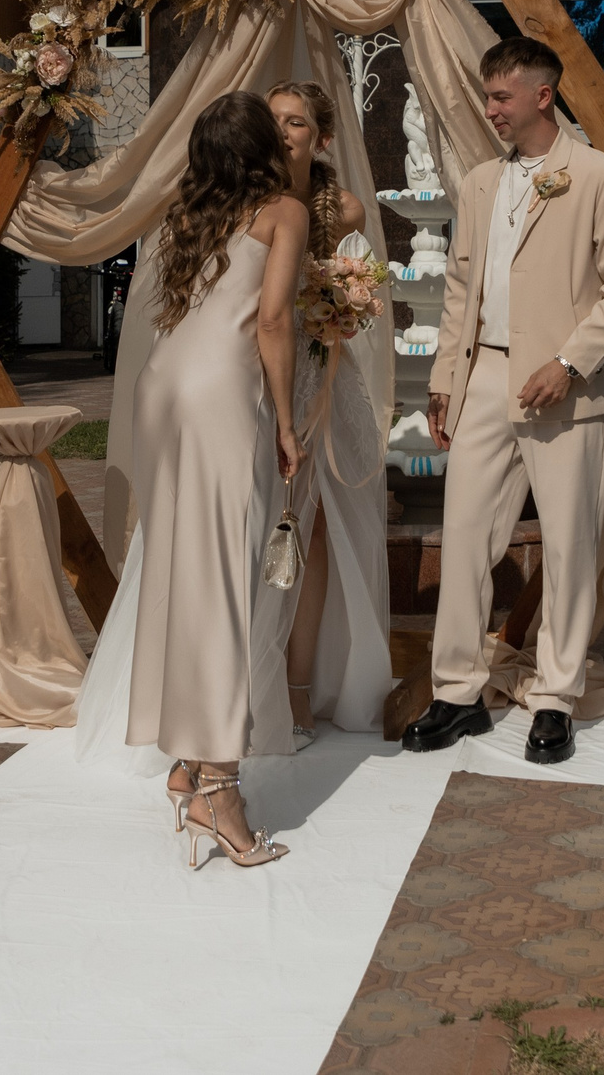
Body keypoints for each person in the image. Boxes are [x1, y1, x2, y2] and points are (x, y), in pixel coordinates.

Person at [401, 36, 604, 766]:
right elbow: (459, 289)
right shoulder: (480, 183)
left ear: (543, 95)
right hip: (483, 379)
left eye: (502, 97)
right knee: (466, 535)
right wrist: (444, 380)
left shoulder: (600, 175)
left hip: (562, 388)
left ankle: (554, 697)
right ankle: (456, 693)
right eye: (487, 97)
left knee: (570, 544)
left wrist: (569, 362)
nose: (491, 110)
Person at [115, 90, 306, 868]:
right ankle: (220, 790)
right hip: (220, 395)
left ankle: (187, 761)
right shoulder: (283, 211)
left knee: (180, 572)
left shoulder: (187, 211)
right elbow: (272, 321)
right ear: (265, 145)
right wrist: (288, 423)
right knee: (224, 578)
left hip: (163, 387)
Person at [255, 82, 393, 752]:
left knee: (306, 537)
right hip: (253, 382)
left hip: (321, 381)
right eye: (273, 120)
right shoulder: (243, 202)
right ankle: (240, 686)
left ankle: (299, 688)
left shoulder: (343, 209)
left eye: (297, 122)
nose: (284, 132)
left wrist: (338, 309)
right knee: (248, 534)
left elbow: (352, 302)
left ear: (322, 136)